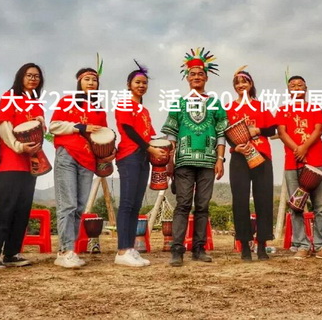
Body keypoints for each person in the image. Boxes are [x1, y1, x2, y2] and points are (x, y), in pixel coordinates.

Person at [161, 48, 228, 267]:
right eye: (192, 74)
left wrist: (220, 159)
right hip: (183, 161)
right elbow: (170, 133)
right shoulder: (178, 103)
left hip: (208, 161)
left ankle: (199, 248)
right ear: (187, 78)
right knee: (182, 204)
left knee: (203, 205)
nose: (196, 77)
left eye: (200, 74)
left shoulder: (215, 104)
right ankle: (177, 250)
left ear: (206, 78)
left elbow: (220, 133)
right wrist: (169, 158)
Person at [0, 63, 46, 270]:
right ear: (20, 77)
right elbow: (3, 126)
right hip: (11, 162)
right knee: (4, 208)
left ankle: (12, 253)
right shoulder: (10, 97)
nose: (33, 79)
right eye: (29, 75)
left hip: (31, 164)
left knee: (22, 209)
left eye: (36, 76)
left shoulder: (36, 103)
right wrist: (18, 146)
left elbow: (38, 131)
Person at [49, 67, 114, 269]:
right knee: (67, 205)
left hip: (88, 160)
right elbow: (53, 126)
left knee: (78, 208)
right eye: (87, 79)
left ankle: (71, 250)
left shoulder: (98, 109)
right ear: (79, 82)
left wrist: (109, 151)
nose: (91, 82)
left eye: (94, 80)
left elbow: (103, 135)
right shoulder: (67, 101)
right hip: (67, 154)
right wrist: (80, 127)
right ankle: (64, 251)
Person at [114, 60, 167, 267]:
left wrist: (162, 147)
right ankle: (121, 250)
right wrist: (150, 148)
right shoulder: (124, 103)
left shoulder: (144, 111)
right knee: (127, 203)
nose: (141, 85)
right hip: (129, 155)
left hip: (144, 156)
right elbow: (129, 131)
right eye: (137, 82)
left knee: (136, 204)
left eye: (144, 82)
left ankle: (130, 248)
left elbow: (149, 135)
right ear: (129, 85)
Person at [277, 75, 322, 260]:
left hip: (315, 162)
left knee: (320, 205)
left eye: (300, 85)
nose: (296, 87)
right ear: (288, 90)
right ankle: (301, 244)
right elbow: (282, 132)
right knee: (297, 206)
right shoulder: (283, 109)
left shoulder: (314, 107)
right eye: (292, 85)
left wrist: (304, 147)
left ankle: (321, 244)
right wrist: (297, 149)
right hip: (292, 163)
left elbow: (318, 129)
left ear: (306, 88)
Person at [226, 67, 276, 261]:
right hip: (239, 157)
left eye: (244, 82)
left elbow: (272, 129)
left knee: (263, 200)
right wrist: (235, 147)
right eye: (237, 83)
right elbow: (224, 133)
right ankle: (245, 245)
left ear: (251, 84)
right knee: (240, 200)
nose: (241, 85)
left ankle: (262, 245)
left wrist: (257, 131)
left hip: (261, 155)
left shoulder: (261, 106)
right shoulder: (229, 108)